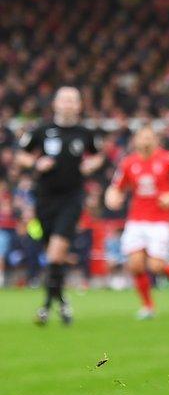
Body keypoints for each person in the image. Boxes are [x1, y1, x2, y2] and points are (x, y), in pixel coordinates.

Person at [15, 86, 104, 325]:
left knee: (55, 254)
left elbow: (98, 155)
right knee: (54, 257)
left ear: (79, 105)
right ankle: (63, 303)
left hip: (71, 199)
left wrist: (91, 165)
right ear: (55, 104)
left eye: (72, 100)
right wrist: (36, 163)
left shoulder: (84, 133)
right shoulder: (41, 131)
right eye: (63, 100)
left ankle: (44, 308)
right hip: (44, 200)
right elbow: (20, 155)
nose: (68, 104)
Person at [104, 126, 169, 319]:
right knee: (135, 265)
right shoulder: (128, 163)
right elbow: (115, 187)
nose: (145, 141)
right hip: (136, 220)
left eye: (149, 137)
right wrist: (111, 197)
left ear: (156, 140)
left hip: (159, 221)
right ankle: (148, 307)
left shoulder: (168, 159)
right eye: (142, 138)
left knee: (156, 266)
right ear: (135, 141)